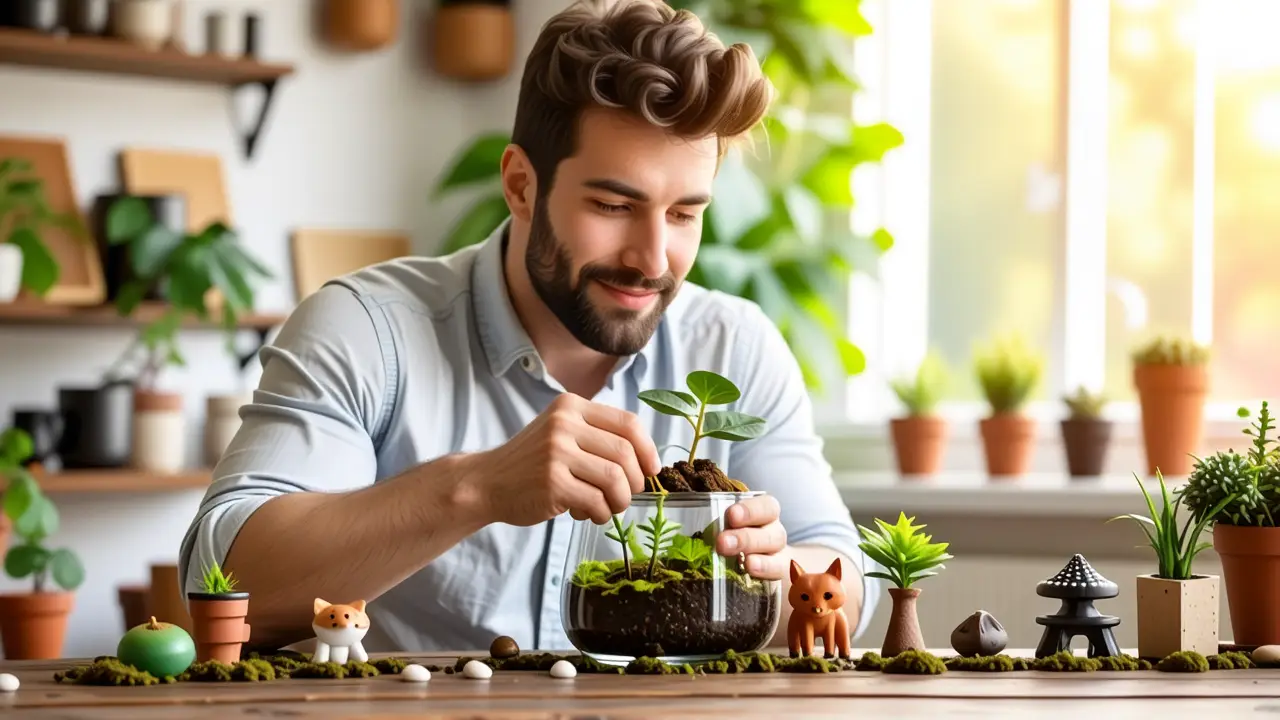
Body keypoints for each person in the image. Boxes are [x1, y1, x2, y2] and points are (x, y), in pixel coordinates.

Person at [178, 0, 879, 654]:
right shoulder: (367, 329)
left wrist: (778, 564)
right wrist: (476, 489)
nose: (653, 258)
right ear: (520, 185)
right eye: (612, 205)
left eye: (684, 214)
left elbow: (848, 576)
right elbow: (225, 576)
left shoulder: (735, 345)